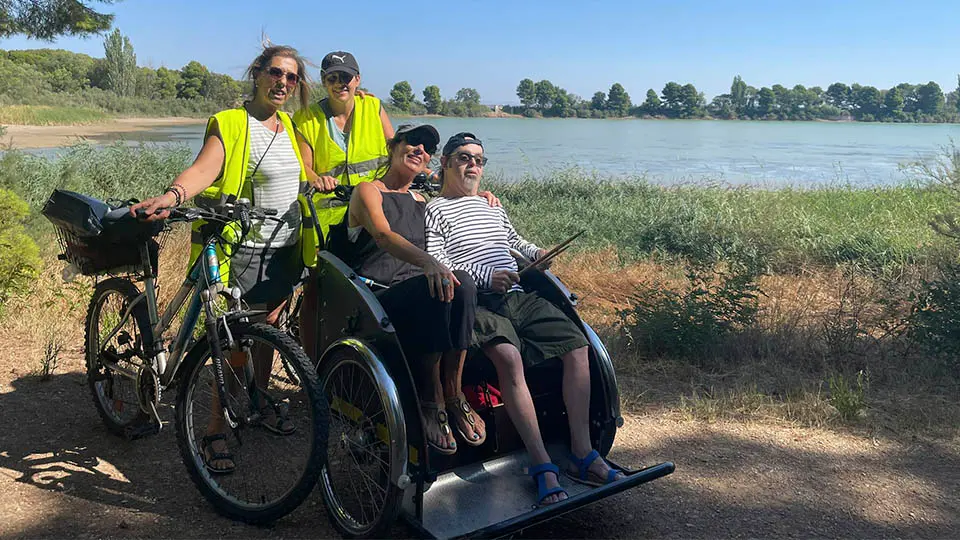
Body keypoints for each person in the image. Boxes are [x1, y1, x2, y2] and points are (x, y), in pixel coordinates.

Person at [131, 45, 321, 474]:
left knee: (268, 329)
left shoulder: (290, 126)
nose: (283, 84)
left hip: (284, 249)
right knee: (234, 341)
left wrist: (318, 180)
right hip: (241, 247)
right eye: (276, 73)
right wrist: (174, 195)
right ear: (257, 73)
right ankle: (216, 426)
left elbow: (297, 175)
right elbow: (205, 168)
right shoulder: (232, 123)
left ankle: (254, 398)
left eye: (292, 79)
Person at [424, 133, 626, 506]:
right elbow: (438, 263)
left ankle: (582, 453)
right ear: (446, 163)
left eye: (479, 160)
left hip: (517, 295)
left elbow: (515, 243)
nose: (473, 165)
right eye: (464, 158)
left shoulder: (492, 206)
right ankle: (541, 463)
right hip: (479, 302)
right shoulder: (434, 209)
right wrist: (486, 277)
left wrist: (539, 253)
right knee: (509, 358)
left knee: (577, 345)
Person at [328, 124, 485, 454]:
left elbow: (451, 210)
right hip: (379, 297)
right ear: (392, 147)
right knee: (438, 288)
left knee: (465, 285)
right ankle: (432, 399)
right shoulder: (368, 191)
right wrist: (428, 263)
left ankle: (454, 394)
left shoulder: (422, 200)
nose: (420, 149)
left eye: (427, 147)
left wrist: (479, 199)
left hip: (418, 291)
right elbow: (383, 236)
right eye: (412, 141)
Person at [293, 51, 393, 363]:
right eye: (332, 78)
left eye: (346, 77)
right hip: (326, 219)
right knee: (315, 292)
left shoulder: (373, 107)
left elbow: (396, 149)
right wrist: (316, 179)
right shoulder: (306, 119)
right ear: (323, 82)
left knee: (376, 286)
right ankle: (312, 366)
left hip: (372, 212)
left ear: (358, 80)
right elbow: (304, 168)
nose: (340, 83)